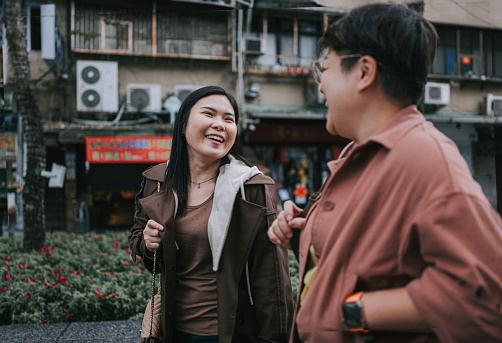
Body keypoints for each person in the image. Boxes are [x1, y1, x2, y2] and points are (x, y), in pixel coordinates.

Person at [268, 4, 502, 343]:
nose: (320, 86)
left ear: (364, 72)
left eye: (325, 69)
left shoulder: (424, 156)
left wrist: (356, 312)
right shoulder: (357, 152)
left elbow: (487, 294)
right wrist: (301, 233)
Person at [129, 86, 293, 343]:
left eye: (229, 119)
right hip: (173, 330)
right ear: (182, 125)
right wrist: (148, 243)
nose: (220, 124)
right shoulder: (157, 181)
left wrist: (274, 338)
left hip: (229, 333)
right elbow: (145, 251)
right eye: (209, 114)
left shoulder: (250, 188)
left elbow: (271, 278)